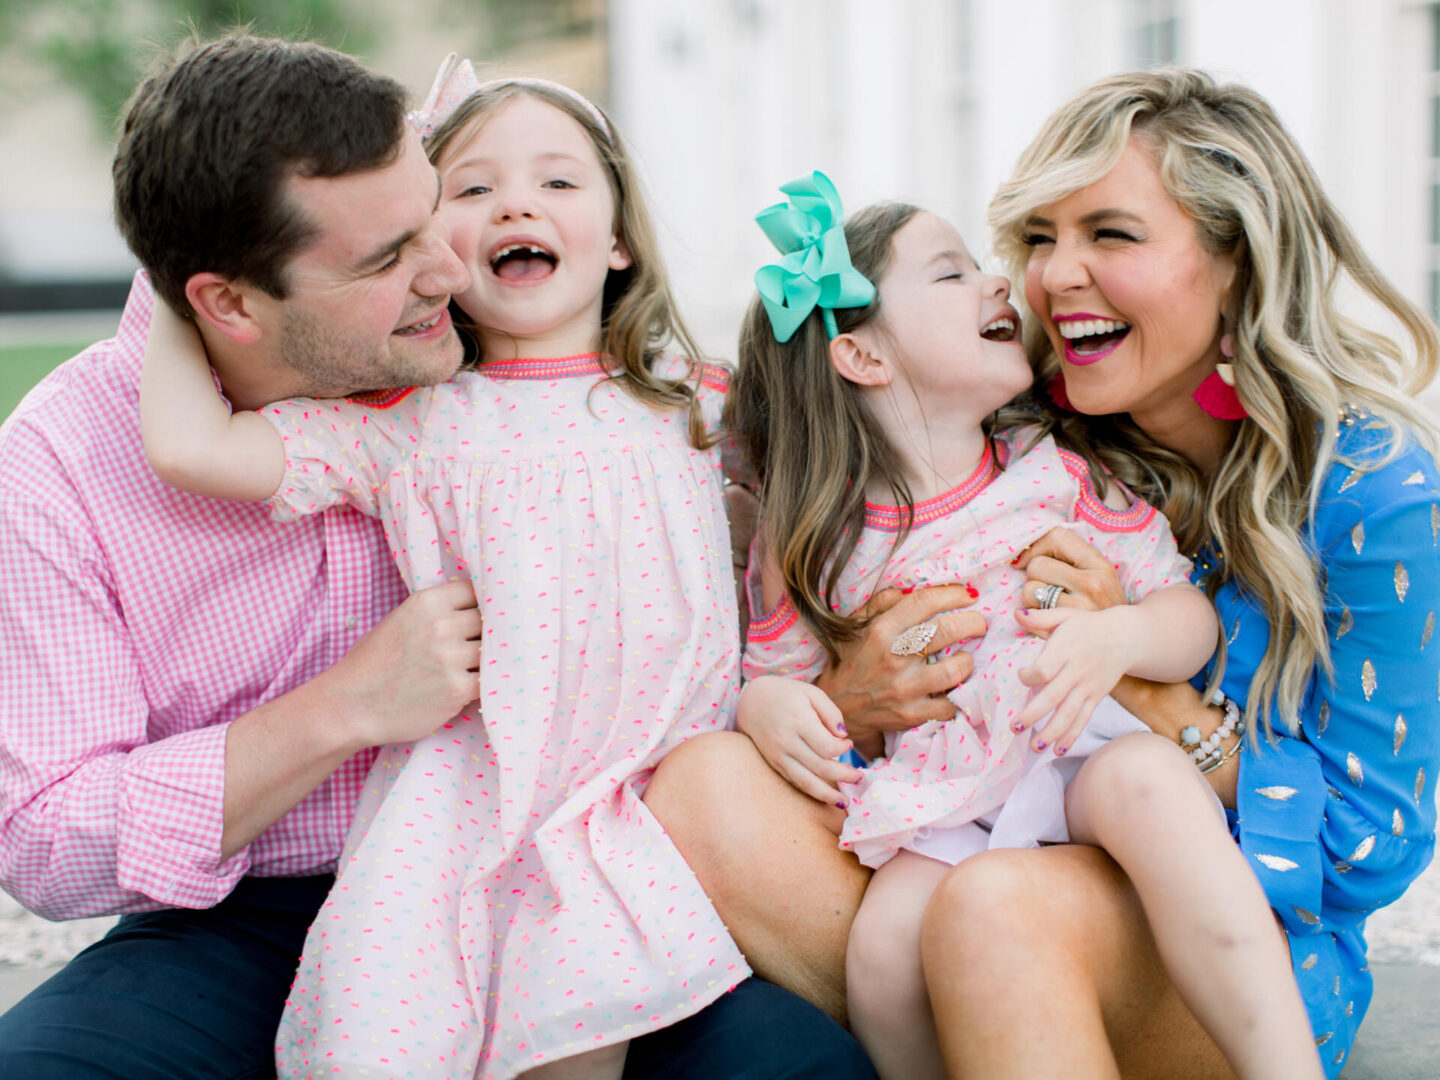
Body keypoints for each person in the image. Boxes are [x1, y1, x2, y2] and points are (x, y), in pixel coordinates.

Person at [0, 34, 874, 1080]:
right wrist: (344, 708)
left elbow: (824, 507)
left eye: (429, 211)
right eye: (388, 257)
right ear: (226, 302)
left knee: (794, 1068)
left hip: (598, 850)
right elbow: (47, 838)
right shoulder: (64, 460)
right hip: (252, 912)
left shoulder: (650, 398)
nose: (450, 266)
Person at [649, 68, 1440, 1079]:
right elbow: (764, 439)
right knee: (709, 789)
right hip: (970, 816)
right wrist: (852, 697)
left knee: (996, 907)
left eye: (1110, 234)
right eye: (1037, 239)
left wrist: (1139, 683)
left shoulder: (1371, 490)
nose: (1051, 277)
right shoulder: (1015, 414)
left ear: (1237, 262)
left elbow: (1366, 851)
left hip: (1229, 924)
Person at [726, 171, 1322, 1079]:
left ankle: (1282, 1063)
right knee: (884, 951)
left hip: (1084, 752)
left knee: (1151, 787)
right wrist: (767, 705)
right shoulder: (817, 539)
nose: (999, 282)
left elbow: (1186, 613)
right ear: (862, 358)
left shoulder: (1053, 474)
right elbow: (771, 672)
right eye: (952, 272)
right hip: (949, 801)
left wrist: (1121, 638)